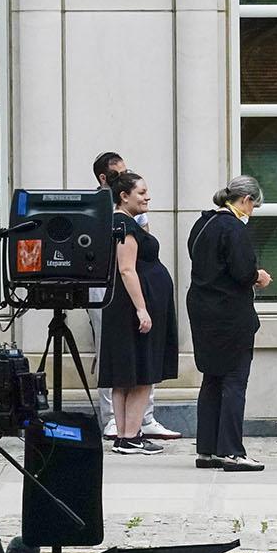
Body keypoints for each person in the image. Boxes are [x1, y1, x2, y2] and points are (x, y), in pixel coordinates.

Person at [91, 151, 178, 443]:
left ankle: (128, 434)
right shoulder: (124, 224)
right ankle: (129, 434)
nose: (147, 198)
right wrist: (142, 309)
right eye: (142, 193)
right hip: (132, 303)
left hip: (132, 300)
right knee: (140, 372)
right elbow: (127, 269)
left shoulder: (130, 220)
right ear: (124, 195)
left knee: (127, 374)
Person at [188, 177, 271, 472]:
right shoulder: (233, 227)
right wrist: (258, 276)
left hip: (201, 308)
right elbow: (242, 270)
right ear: (246, 201)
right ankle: (232, 451)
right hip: (230, 313)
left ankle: (207, 450)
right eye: (254, 206)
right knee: (235, 379)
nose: (253, 211)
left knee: (211, 378)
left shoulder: (202, 224)